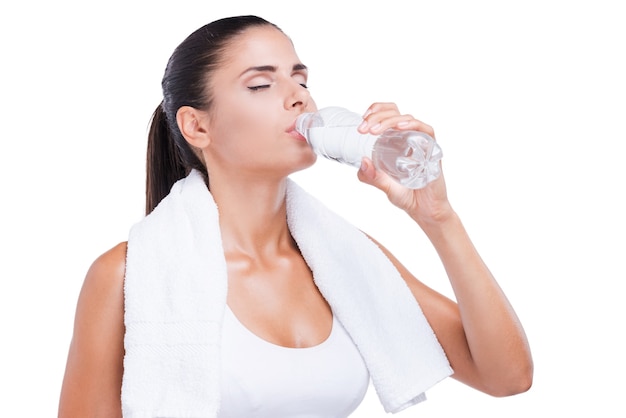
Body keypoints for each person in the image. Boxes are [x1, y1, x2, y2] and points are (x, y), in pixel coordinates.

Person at [58, 15, 533, 417]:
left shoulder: (347, 260)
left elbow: (507, 377)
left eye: (301, 79)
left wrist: (438, 216)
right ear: (196, 126)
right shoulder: (126, 276)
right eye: (262, 84)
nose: (299, 97)